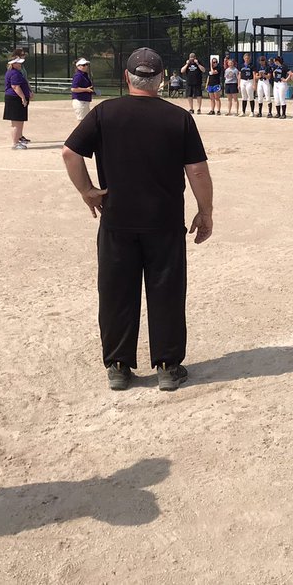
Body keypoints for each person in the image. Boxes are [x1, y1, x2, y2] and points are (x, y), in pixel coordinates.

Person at [61, 48, 213, 392]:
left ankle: (118, 366)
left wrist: (87, 190)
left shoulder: (106, 113)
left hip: (117, 220)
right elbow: (197, 171)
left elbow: (70, 152)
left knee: (116, 291)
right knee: (167, 291)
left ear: (127, 77)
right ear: (160, 79)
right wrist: (206, 211)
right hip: (164, 221)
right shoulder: (178, 117)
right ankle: (167, 365)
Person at [4, 53, 32, 148]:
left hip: (16, 99)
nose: (20, 64)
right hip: (14, 99)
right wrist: (23, 97)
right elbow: (15, 87)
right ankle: (15, 143)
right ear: (13, 64)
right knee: (16, 122)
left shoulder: (17, 72)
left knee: (19, 121)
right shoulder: (14, 73)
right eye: (18, 63)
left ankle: (18, 140)